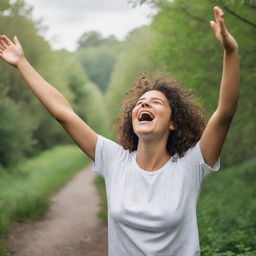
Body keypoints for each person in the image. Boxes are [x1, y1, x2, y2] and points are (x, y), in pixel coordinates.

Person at [0, 6, 239, 256]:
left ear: (173, 122)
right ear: (133, 119)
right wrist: (22, 63)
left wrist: (230, 51)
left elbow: (225, 112)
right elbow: (64, 113)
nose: (144, 104)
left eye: (156, 102)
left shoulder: (190, 166)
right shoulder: (114, 161)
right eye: (140, 103)